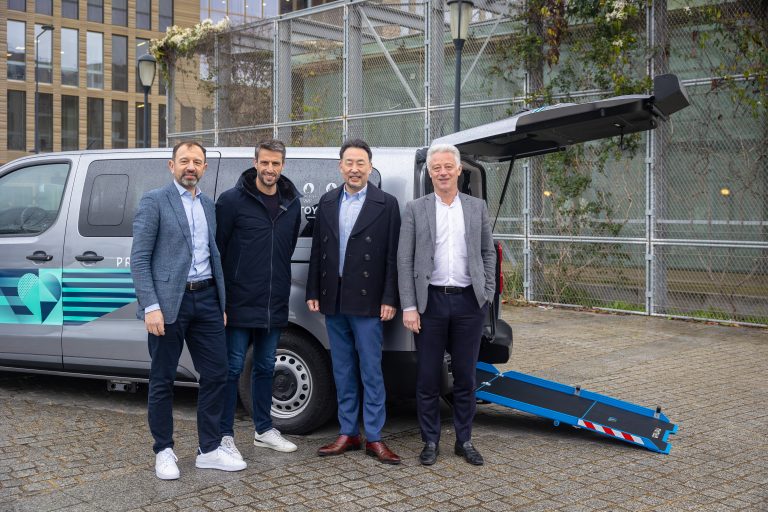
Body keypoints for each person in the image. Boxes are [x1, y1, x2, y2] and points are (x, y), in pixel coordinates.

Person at [130, 141, 247, 480]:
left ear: (205, 168)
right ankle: (163, 450)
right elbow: (139, 259)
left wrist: (220, 305)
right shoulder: (155, 201)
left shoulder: (208, 205)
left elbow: (214, 256)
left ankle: (208, 449)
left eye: (197, 161)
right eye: (184, 161)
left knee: (218, 374)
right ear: (171, 166)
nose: (190, 167)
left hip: (207, 299)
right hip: (168, 304)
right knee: (163, 378)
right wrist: (151, 305)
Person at [397, 143, 496, 466]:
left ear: (458, 170)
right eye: (435, 167)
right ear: (430, 172)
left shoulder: (476, 206)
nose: (441, 172)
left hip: (469, 302)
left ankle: (464, 440)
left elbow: (487, 252)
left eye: (447, 167)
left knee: (466, 378)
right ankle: (430, 441)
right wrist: (409, 306)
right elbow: (404, 260)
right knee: (427, 377)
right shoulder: (416, 208)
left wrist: (487, 294)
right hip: (431, 303)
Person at [306, 139, 402, 465]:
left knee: (371, 371)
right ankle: (348, 432)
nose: (354, 168)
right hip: (334, 299)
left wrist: (390, 298)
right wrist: (312, 292)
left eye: (360, 163)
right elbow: (319, 252)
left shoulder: (386, 204)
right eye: (349, 162)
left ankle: (374, 437)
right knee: (342, 370)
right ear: (340, 167)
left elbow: (393, 257)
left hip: (369, 302)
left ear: (370, 167)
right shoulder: (328, 201)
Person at [215, 139, 301, 457]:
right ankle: (223, 434)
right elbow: (218, 250)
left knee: (266, 366)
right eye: (264, 162)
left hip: (273, 301)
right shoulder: (231, 201)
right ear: (255, 162)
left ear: (283, 165)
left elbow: (285, 249)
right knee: (233, 368)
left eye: (275, 163)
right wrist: (220, 300)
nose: (269, 169)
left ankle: (264, 430)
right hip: (237, 301)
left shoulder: (291, 204)